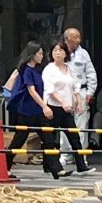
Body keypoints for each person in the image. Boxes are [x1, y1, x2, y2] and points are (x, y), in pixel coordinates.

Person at [5, 41, 71, 179]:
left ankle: (56, 169)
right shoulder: (27, 71)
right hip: (28, 112)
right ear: (32, 54)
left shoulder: (36, 70)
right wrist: (44, 106)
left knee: (48, 140)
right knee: (18, 141)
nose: (42, 56)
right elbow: (32, 91)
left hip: (37, 111)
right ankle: (4, 167)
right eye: (40, 54)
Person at [41, 41, 96, 175]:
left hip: (67, 109)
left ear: (66, 53)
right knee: (50, 138)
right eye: (55, 50)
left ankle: (81, 166)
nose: (57, 53)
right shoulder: (49, 69)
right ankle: (48, 165)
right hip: (53, 107)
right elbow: (49, 89)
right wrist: (63, 102)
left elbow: (75, 86)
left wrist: (77, 99)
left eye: (60, 50)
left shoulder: (68, 68)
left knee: (74, 136)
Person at [62, 28, 98, 157]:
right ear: (67, 39)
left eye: (79, 37)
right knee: (65, 126)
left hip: (81, 92)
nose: (78, 40)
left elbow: (91, 74)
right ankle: (65, 155)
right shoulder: (60, 52)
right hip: (65, 93)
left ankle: (81, 155)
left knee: (82, 125)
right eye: (75, 37)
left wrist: (90, 92)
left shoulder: (84, 54)